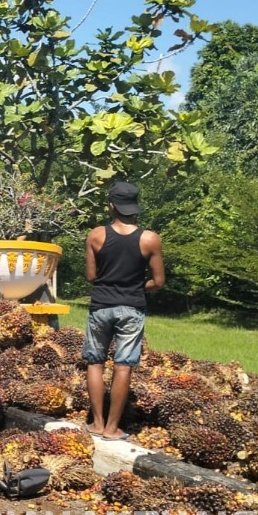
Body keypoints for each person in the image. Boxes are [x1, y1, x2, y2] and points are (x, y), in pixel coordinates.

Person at [82, 181, 164, 441]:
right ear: (135, 207)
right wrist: (137, 287)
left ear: (111, 206)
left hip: (100, 307)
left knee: (95, 362)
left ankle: (96, 423)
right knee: (123, 366)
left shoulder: (96, 235)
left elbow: (91, 276)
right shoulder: (150, 239)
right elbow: (158, 281)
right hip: (131, 308)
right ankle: (112, 428)